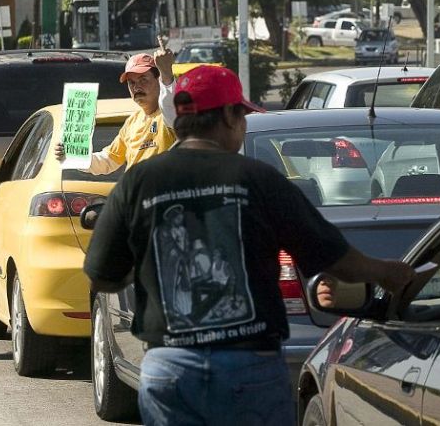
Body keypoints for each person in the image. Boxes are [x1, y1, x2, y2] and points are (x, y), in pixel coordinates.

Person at [83, 65, 414, 425]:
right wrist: (388, 273)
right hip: (248, 369)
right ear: (227, 115)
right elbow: (333, 257)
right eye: (241, 115)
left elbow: (103, 274)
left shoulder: (139, 183)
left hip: (170, 370)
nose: (243, 125)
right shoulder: (258, 179)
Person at [54, 38, 178, 173]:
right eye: (131, 82)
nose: (136, 87)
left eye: (143, 79)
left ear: (158, 80)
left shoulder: (170, 115)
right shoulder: (132, 122)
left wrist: (166, 74)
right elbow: (108, 160)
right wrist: (74, 156)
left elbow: (170, 106)